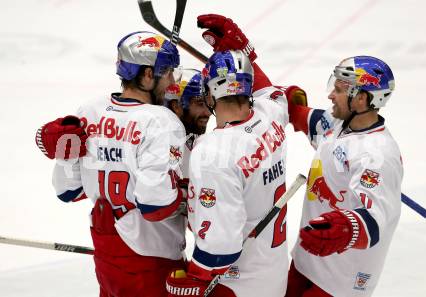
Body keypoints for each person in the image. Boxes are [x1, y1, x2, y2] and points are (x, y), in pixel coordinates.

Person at [35, 31, 188, 297]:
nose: (173, 83)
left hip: (106, 257)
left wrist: (65, 157)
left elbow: (67, 190)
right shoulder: (160, 121)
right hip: (152, 262)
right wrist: (187, 191)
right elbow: (156, 204)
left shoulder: (89, 110)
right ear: (148, 75)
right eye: (168, 74)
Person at [165, 15, 293, 297]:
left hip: (236, 285)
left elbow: (220, 248)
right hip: (272, 277)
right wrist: (243, 52)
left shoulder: (213, 152)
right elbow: (269, 90)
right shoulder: (270, 114)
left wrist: (196, 276)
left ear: (209, 95)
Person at [285, 56, 403, 297]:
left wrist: (345, 227)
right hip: (306, 262)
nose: (330, 95)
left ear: (361, 98)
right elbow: (300, 114)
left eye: (338, 90)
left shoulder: (378, 155)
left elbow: (374, 221)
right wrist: (244, 59)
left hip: (338, 283)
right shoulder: (338, 125)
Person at [164, 68, 212, 178]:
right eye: (200, 104)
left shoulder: (191, 133)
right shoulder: (164, 143)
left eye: (208, 103)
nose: (208, 112)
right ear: (176, 106)